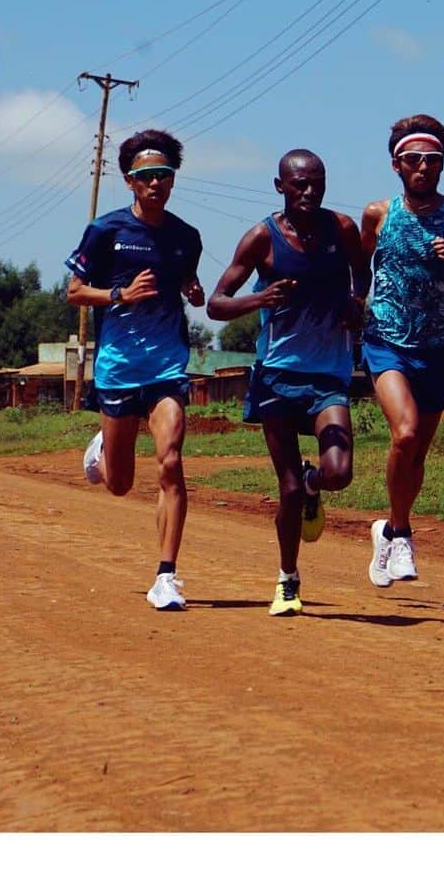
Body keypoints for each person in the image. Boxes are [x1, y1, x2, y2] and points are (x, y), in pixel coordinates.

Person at [206, 149, 369, 616]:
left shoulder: (341, 229)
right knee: (288, 489)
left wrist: (355, 301)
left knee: (338, 471)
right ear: (280, 187)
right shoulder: (263, 238)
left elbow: (362, 270)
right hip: (277, 375)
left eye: (317, 182)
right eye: (299, 184)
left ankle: (316, 486)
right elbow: (217, 304)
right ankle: (288, 580)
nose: (309, 191)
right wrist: (261, 297)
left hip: (328, 375)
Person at [66, 129, 205, 612]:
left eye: (164, 175)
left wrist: (192, 290)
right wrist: (119, 295)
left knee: (171, 461)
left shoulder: (187, 237)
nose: (156, 184)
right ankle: (103, 450)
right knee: (121, 483)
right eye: (146, 176)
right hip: (119, 367)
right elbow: (74, 291)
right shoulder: (106, 231)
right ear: (129, 181)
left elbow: (187, 276)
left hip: (166, 365)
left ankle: (166, 576)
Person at [360, 114, 444, 588]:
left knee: (418, 457)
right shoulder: (378, 214)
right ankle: (403, 536)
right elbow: (360, 262)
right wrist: (355, 302)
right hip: (387, 340)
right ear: (396, 165)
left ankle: (388, 530)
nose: (423, 167)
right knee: (405, 436)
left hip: (438, 347)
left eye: (432, 160)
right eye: (413, 159)